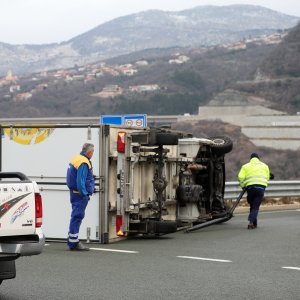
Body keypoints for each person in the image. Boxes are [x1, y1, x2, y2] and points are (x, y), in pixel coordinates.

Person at [66, 143, 95, 250]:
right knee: (77, 217)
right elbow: (80, 181)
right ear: (90, 152)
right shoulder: (83, 162)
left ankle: (71, 239)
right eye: (93, 152)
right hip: (79, 195)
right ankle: (73, 242)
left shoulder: (77, 158)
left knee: (75, 216)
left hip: (74, 193)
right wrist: (85, 194)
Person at [238, 153, 271, 229]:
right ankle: (251, 222)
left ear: (251, 159)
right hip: (260, 188)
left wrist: (243, 186)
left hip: (250, 188)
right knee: (255, 206)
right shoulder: (265, 166)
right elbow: (268, 177)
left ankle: (253, 222)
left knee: (252, 205)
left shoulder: (245, 166)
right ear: (258, 158)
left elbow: (240, 177)